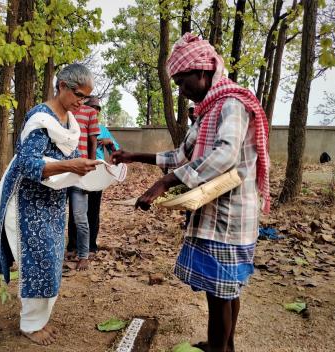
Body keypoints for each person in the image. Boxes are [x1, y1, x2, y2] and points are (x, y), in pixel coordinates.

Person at [112, 33, 270, 352]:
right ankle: (226, 346)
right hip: (214, 215)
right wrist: (134, 156)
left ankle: (218, 348)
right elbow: (181, 155)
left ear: (202, 72)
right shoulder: (206, 110)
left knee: (221, 294)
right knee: (225, 291)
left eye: (183, 82)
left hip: (230, 219)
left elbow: (225, 155)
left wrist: (165, 183)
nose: (181, 91)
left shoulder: (232, 104)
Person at [0, 63, 101, 346]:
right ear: (62, 86)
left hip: (53, 201)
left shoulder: (69, 122)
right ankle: (30, 324)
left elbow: (71, 156)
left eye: (86, 98)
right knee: (37, 262)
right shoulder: (40, 118)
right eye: (78, 95)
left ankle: (39, 318)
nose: (82, 102)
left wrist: (92, 169)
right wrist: (70, 164)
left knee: (52, 261)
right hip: (28, 202)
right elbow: (27, 164)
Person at [67, 97, 120, 254]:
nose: (94, 111)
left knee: (93, 210)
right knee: (76, 210)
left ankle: (91, 245)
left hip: (97, 172)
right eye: (92, 107)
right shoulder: (77, 126)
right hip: (78, 169)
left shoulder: (103, 129)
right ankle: (73, 245)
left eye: (97, 108)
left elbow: (116, 152)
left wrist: (108, 142)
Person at [65, 95, 101, 270]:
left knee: (80, 216)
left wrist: (91, 169)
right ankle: (64, 250)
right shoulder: (59, 111)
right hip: (58, 171)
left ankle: (83, 255)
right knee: (56, 216)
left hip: (79, 172)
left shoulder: (90, 113)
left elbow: (93, 142)